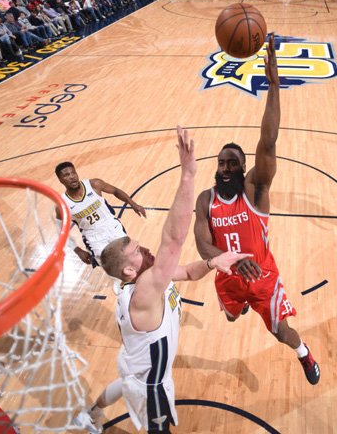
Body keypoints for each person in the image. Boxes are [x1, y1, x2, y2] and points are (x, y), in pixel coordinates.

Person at [73, 127, 250, 433]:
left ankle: (89, 414)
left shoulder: (148, 280)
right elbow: (173, 240)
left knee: (125, 380)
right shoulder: (144, 291)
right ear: (129, 272)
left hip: (136, 364)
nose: (145, 249)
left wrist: (212, 262)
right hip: (151, 386)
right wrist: (187, 176)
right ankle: (90, 417)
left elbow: (189, 271)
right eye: (137, 252)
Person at [193, 34, 321, 386]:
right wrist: (231, 261)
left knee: (281, 332)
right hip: (228, 277)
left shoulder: (255, 189)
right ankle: (240, 306)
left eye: (232, 163)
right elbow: (203, 245)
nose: (225, 169)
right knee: (232, 317)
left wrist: (274, 86)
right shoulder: (206, 199)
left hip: (263, 277)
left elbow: (269, 140)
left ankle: (304, 353)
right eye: (221, 163)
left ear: (244, 167)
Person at [54, 161, 146, 267]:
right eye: (66, 175)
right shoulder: (62, 205)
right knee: (113, 268)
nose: (72, 177)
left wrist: (134, 204)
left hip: (112, 228)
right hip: (94, 239)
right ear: (60, 180)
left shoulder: (94, 184)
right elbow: (60, 230)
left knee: (132, 259)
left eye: (73, 173)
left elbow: (115, 191)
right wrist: (77, 250)